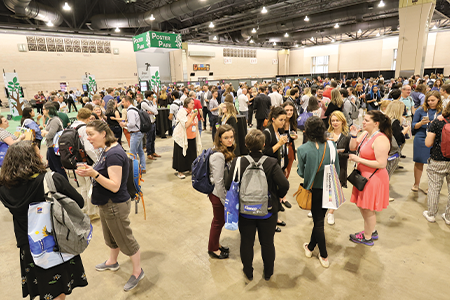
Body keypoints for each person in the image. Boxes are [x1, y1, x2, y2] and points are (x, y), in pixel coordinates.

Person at [0, 141, 88, 300]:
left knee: (43, 287)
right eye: (37, 153)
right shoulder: (51, 179)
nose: (41, 155)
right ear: (31, 159)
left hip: (28, 245)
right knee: (58, 290)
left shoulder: (3, 186)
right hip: (55, 242)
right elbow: (79, 202)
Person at [76, 121, 144, 292]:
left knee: (125, 239)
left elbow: (114, 185)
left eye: (91, 134)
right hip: (106, 204)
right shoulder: (107, 149)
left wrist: (94, 173)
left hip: (115, 205)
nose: (88, 138)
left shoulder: (113, 154)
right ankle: (112, 262)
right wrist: (92, 170)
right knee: (112, 237)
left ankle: (137, 271)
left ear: (103, 133)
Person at [225, 129, 289, 281]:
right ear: (264, 144)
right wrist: (278, 197)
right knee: (267, 243)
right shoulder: (272, 163)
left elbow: (228, 185)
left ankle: (248, 271)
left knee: (246, 243)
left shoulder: (238, 162)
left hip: (245, 211)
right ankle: (268, 272)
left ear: (246, 145)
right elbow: (284, 184)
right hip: (267, 211)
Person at [298, 116, 339, 267]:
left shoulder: (303, 149)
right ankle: (310, 247)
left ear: (307, 131)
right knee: (319, 219)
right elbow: (337, 168)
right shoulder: (331, 146)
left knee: (319, 222)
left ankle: (324, 255)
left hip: (314, 189)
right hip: (330, 188)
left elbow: (302, 173)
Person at [348, 110, 391, 246]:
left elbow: (382, 163)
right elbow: (353, 147)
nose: (363, 122)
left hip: (373, 178)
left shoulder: (381, 139)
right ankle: (370, 229)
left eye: (367, 120)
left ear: (376, 123)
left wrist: (358, 159)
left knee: (367, 208)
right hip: (363, 176)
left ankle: (367, 236)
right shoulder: (366, 133)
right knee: (363, 206)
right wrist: (354, 135)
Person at [207, 125, 235, 259]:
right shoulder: (219, 155)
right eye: (226, 138)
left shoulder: (222, 151)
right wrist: (225, 201)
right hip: (217, 194)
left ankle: (215, 244)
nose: (230, 140)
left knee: (219, 221)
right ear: (219, 138)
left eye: (231, 137)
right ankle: (213, 248)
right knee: (218, 221)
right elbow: (218, 181)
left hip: (219, 193)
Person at [71, 108, 100, 220]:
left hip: (74, 161)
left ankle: (83, 208)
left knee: (83, 187)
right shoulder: (84, 129)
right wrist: (97, 160)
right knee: (90, 187)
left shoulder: (71, 127)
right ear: (88, 118)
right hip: (85, 162)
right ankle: (92, 212)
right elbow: (88, 148)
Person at [263, 107, 288, 232]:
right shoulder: (267, 132)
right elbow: (265, 152)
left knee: (276, 193)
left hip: (278, 166)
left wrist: (284, 166)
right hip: (270, 168)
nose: (283, 122)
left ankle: (275, 218)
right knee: (272, 194)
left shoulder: (279, 131)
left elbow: (282, 152)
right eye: (281, 119)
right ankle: (271, 222)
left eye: (284, 120)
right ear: (273, 119)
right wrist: (279, 144)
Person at [323, 111, 351, 225]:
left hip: (341, 167)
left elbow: (351, 153)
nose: (335, 123)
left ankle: (331, 212)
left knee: (336, 190)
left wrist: (338, 153)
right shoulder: (326, 134)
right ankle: (321, 209)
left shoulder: (347, 136)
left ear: (342, 121)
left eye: (337, 120)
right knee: (325, 188)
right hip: (326, 166)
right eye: (333, 120)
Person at [424, 103, 450, 224]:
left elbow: (428, 143)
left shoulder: (438, 122)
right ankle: (449, 217)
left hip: (438, 160)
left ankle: (431, 214)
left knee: (434, 188)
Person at [412, 91, 443, 193]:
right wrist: (421, 123)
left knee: (434, 164)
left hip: (437, 138)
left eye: (432, 100)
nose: (430, 102)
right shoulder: (420, 110)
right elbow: (413, 126)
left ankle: (431, 186)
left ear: (438, 99)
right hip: (421, 136)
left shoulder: (443, 111)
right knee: (419, 161)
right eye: (428, 100)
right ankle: (416, 184)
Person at [172, 97, 202, 179]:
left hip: (192, 135)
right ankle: (180, 171)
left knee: (191, 154)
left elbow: (195, 123)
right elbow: (185, 125)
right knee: (181, 154)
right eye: (191, 103)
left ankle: (191, 168)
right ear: (187, 104)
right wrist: (192, 116)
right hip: (182, 136)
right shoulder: (182, 111)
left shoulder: (192, 111)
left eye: (193, 103)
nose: (193, 105)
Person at [119, 96, 146, 174]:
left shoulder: (130, 111)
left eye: (123, 102)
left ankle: (133, 171)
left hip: (135, 133)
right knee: (140, 151)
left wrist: (124, 124)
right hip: (139, 132)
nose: (122, 104)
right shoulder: (135, 108)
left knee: (132, 153)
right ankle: (143, 167)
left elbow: (132, 124)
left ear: (128, 102)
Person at [41, 102, 67, 180]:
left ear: (48, 110)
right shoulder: (50, 120)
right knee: (53, 166)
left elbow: (50, 135)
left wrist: (45, 133)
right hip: (50, 146)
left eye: (43, 109)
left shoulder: (55, 120)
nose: (42, 111)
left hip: (54, 147)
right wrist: (46, 133)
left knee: (58, 167)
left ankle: (64, 184)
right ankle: (60, 182)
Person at [137, 92, 160, 160]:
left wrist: (153, 111)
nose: (153, 98)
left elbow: (156, 112)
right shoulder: (144, 103)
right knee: (149, 139)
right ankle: (149, 153)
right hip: (148, 123)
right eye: (152, 96)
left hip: (153, 122)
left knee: (153, 138)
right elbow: (155, 111)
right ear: (148, 97)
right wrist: (154, 104)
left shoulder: (150, 103)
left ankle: (153, 152)